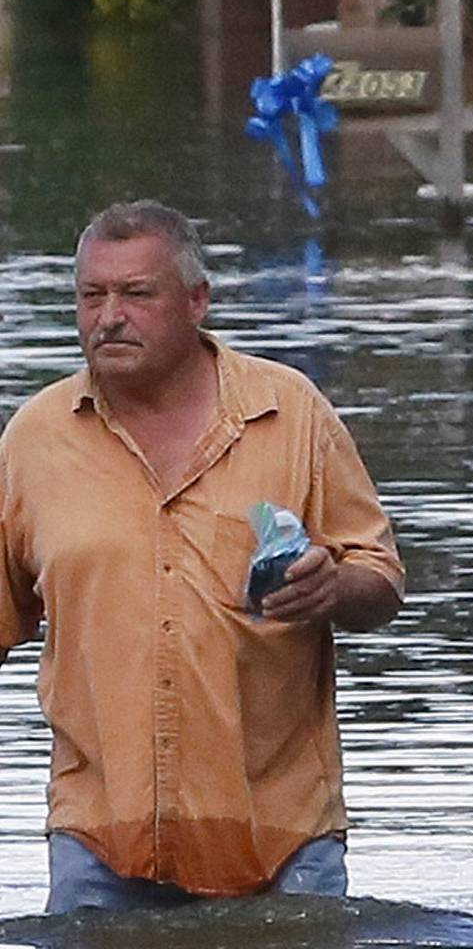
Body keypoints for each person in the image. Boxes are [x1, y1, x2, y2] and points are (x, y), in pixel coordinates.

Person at [0, 200, 404, 913]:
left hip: (280, 841)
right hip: (100, 840)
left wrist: (333, 588)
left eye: (136, 293)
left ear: (197, 301)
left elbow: (382, 582)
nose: (109, 316)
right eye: (91, 296)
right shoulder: (33, 442)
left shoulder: (292, 415)